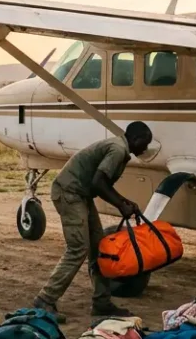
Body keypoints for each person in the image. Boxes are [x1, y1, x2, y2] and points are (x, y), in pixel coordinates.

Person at [32, 122, 154, 321]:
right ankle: (45, 298)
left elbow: (99, 184)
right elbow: (98, 183)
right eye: (145, 143)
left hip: (81, 195)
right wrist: (121, 204)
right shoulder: (118, 150)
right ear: (136, 139)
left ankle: (101, 302)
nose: (145, 148)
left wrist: (124, 202)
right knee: (78, 248)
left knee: (99, 248)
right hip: (69, 193)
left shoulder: (119, 149)